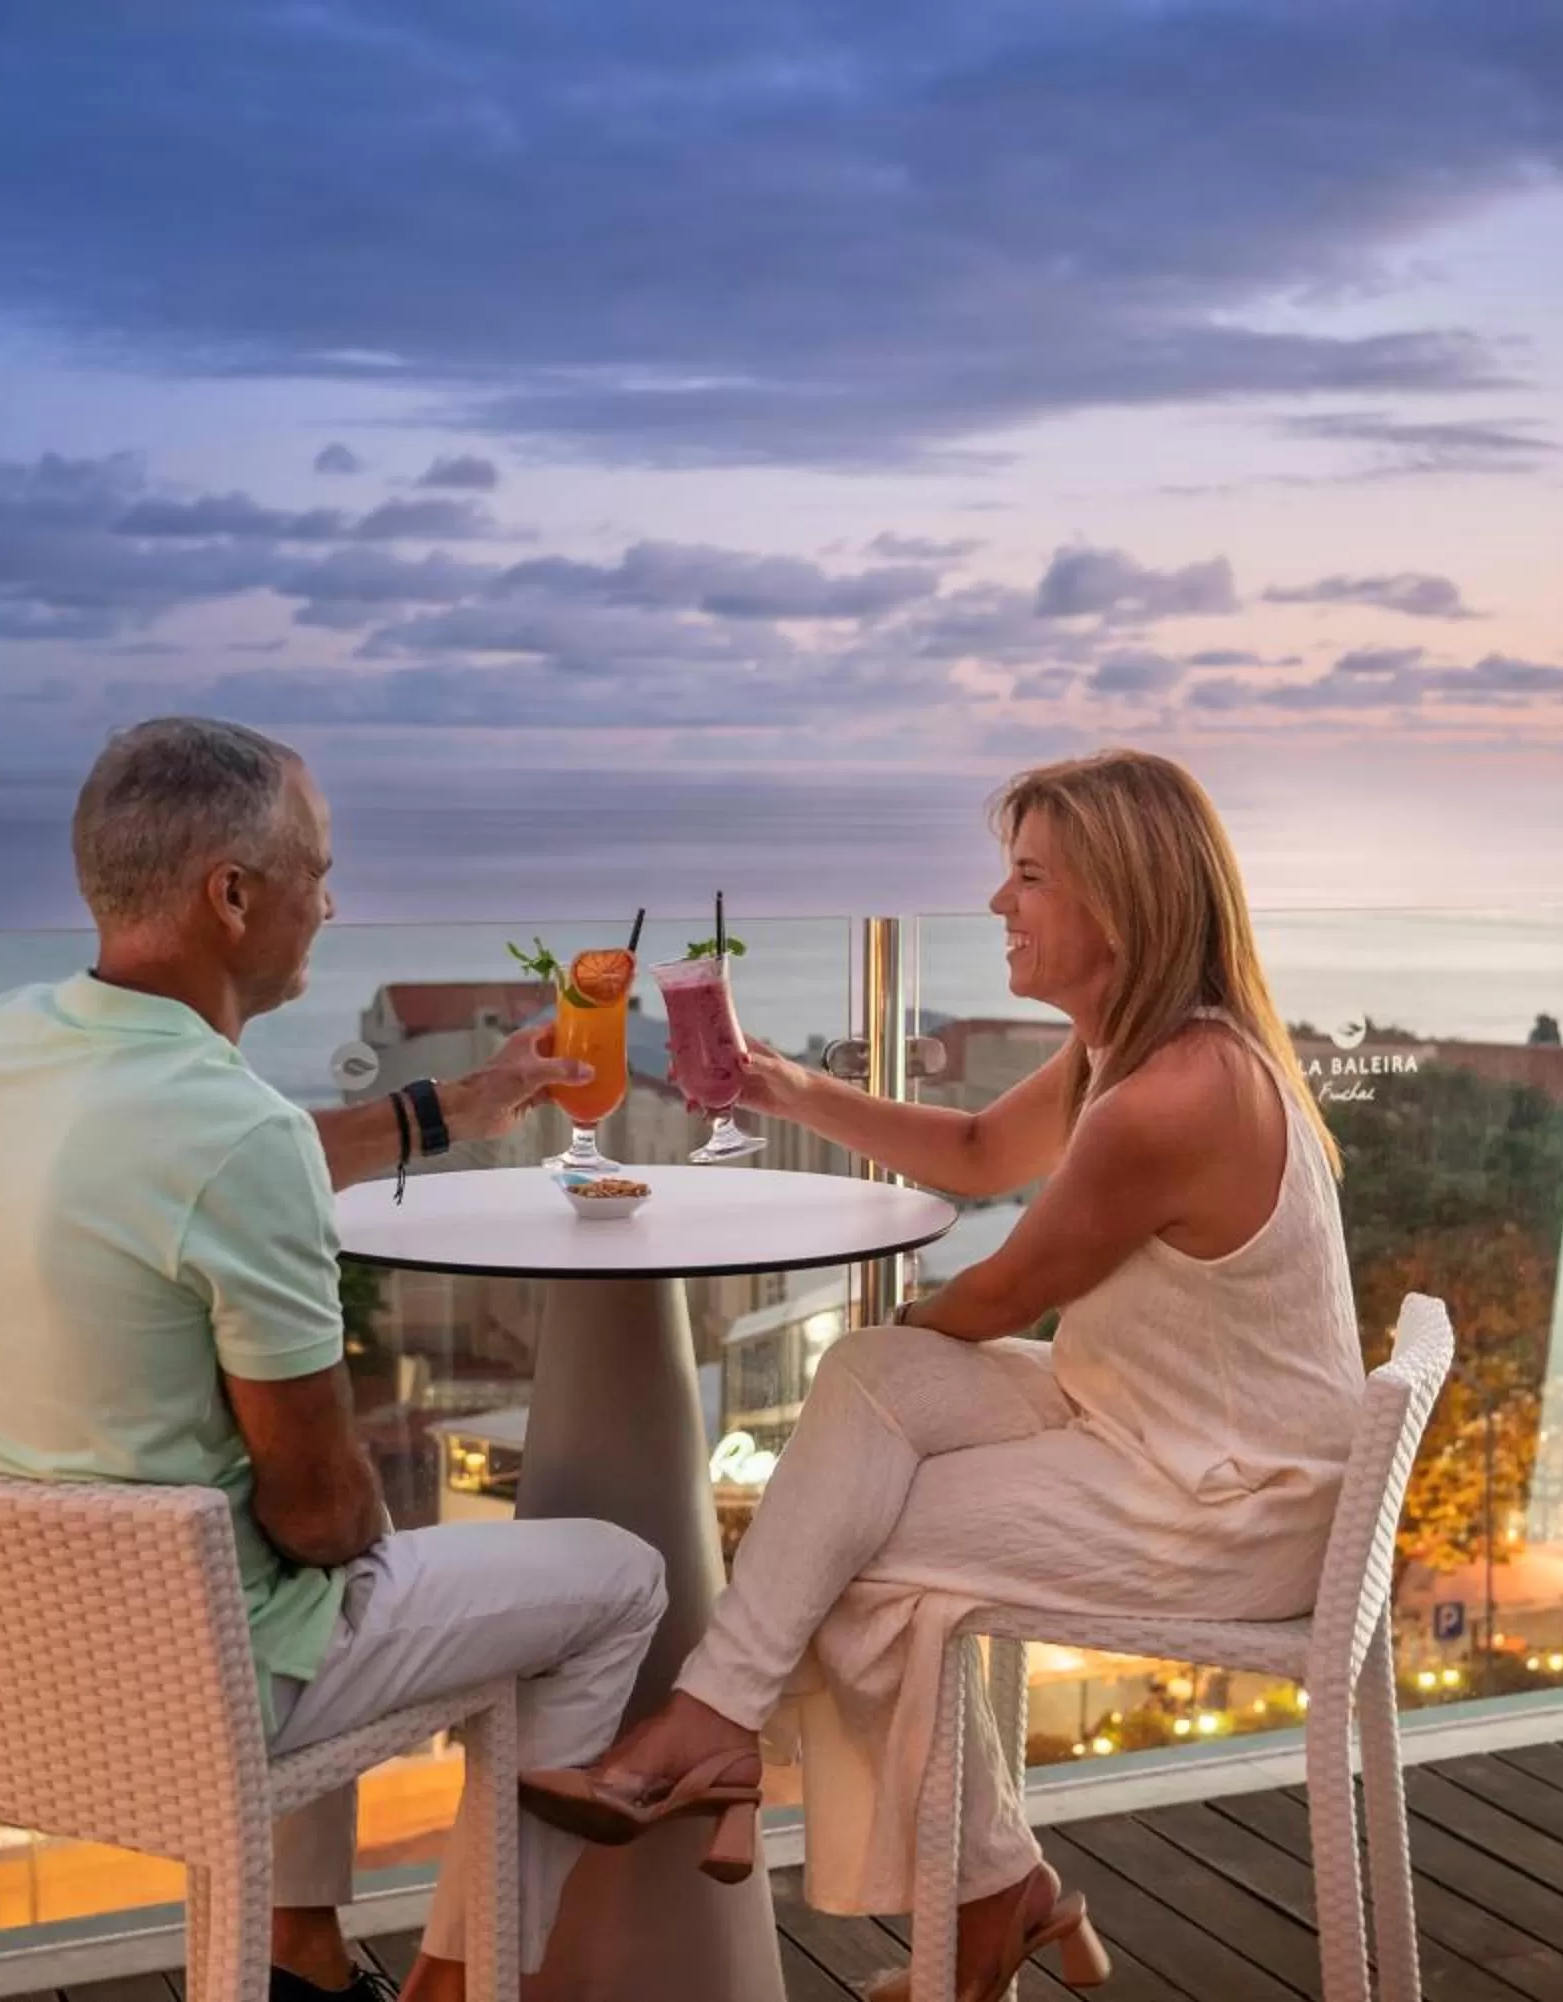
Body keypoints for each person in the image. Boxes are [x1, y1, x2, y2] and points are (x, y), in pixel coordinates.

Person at [522, 748, 1363, 2001]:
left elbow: (1004, 1293)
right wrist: (777, 1083)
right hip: (1155, 1423)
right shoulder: (1125, 1053)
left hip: (1234, 1507)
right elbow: (973, 1152)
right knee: (868, 1377)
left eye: (1028, 876)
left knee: (856, 1546)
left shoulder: (1174, 1095)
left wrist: (929, 1314)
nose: (995, 903)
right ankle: (854, 1811)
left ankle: (912, 1856)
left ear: (1122, 902)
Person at [0, 717, 667, 2002]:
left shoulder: (5, 1038)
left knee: (310, 1572)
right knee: (608, 1575)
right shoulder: (237, 1137)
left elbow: (205, 1156)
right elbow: (318, 1520)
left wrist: (448, 1110)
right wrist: (363, 1509)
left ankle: (297, 1950)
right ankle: (459, 1981)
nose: (332, 899)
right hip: (183, 1685)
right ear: (233, 894)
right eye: (317, 867)